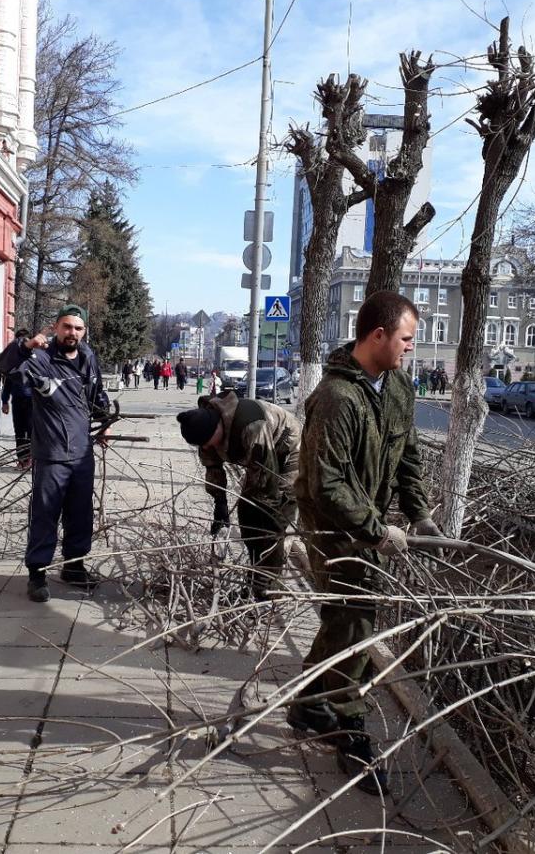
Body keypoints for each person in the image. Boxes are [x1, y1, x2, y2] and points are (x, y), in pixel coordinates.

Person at [291, 291, 441, 796]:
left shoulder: (397, 388)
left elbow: (408, 457)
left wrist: (419, 515)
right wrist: (376, 531)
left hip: (369, 524)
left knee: (344, 616)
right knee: (354, 621)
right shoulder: (336, 397)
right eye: (405, 339)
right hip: (331, 526)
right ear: (377, 335)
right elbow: (324, 484)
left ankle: (311, 703)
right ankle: (349, 729)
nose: (409, 349)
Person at [0, 304, 110, 603]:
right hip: (51, 453)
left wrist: (104, 422)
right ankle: (37, 573)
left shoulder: (87, 357)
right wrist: (24, 346)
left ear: (84, 331)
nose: (72, 333)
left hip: (82, 451)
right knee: (46, 514)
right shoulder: (41, 359)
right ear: (56, 327)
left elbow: (97, 395)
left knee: (80, 513)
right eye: (67, 327)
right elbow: (6, 367)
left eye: (78, 328)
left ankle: (74, 567)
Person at [176, 389, 300, 597]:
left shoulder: (252, 426)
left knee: (274, 522)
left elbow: (265, 480)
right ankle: (255, 577)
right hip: (261, 460)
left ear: (216, 427)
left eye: (207, 442)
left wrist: (265, 517)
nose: (206, 447)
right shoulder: (205, 430)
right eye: (202, 445)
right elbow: (212, 467)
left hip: (289, 454)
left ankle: (269, 589)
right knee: (247, 515)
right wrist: (220, 504)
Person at [1, 328, 34, 469]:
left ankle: (31, 459)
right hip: (17, 400)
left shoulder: (34, 358)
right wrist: (4, 401)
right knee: (19, 431)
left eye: (24, 340)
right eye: (18, 340)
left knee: (32, 430)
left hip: (32, 401)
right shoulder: (12, 360)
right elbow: (7, 382)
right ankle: (21, 459)